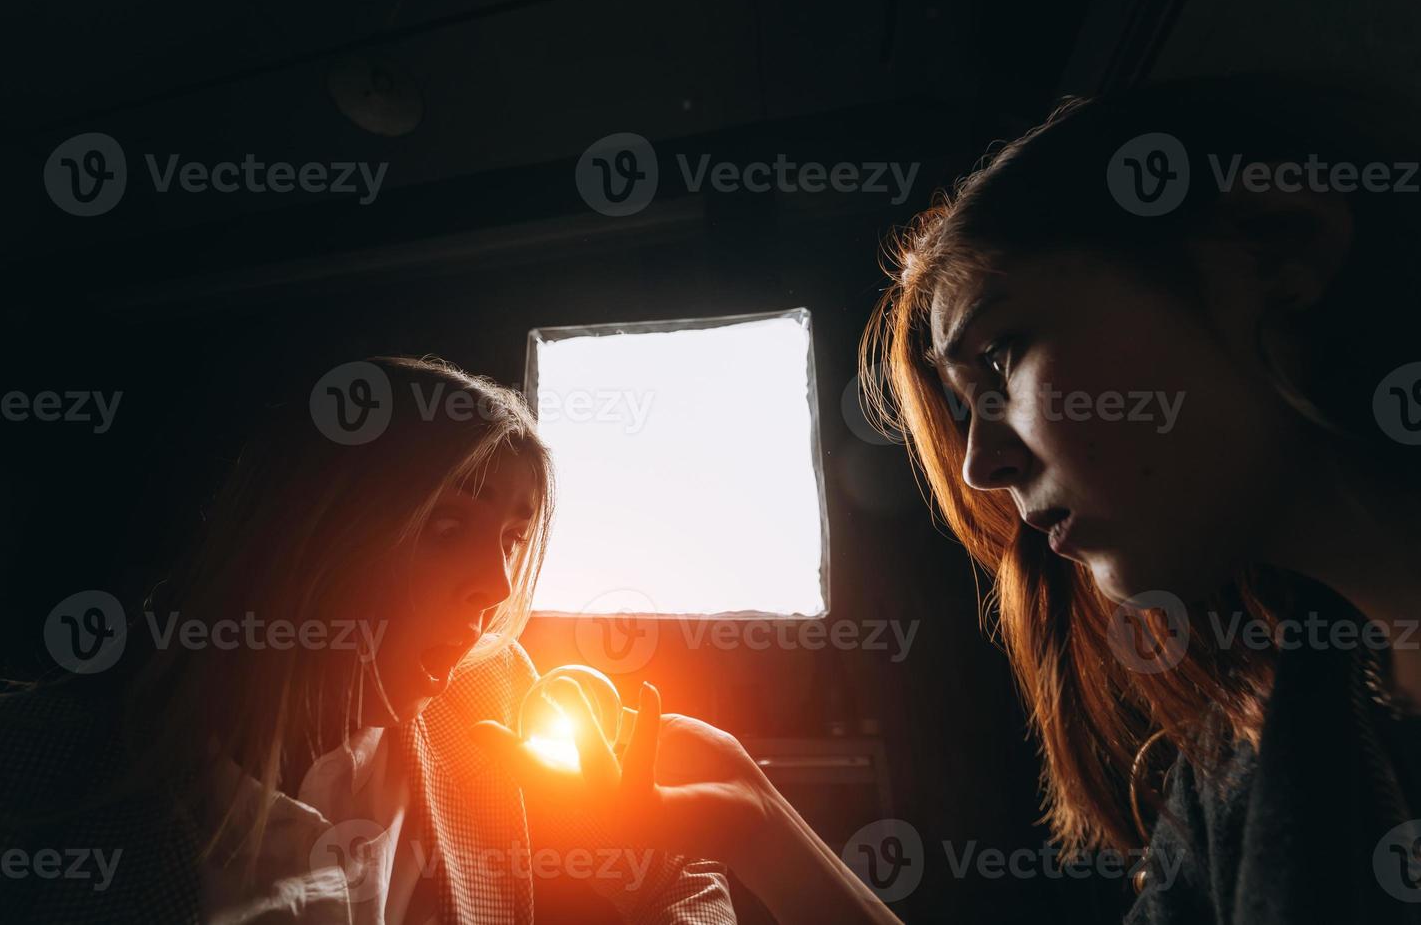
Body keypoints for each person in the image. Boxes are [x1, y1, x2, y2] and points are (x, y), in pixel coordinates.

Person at [474, 77, 1421, 924]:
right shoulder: (1251, 744)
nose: (978, 468)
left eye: (1002, 358)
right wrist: (754, 825)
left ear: (1275, 248)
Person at [0, 356, 734, 924]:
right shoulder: (4, 764)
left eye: (511, 539)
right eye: (447, 525)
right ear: (309, 539)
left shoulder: (489, 710)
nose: (495, 589)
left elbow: (681, 883)